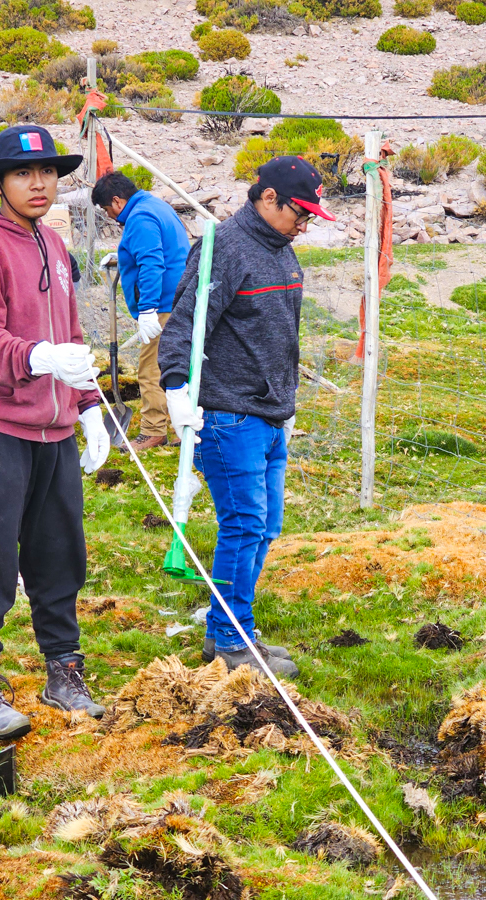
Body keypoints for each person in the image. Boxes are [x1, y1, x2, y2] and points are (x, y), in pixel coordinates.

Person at [0, 125, 110, 741]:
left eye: (47, 173)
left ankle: (63, 670)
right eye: (22, 174)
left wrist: (88, 403)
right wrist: (39, 359)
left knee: (60, 554)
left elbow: (69, 333)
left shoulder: (51, 242)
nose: (39, 184)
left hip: (54, 432)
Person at [158, 156, 335, 679]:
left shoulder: (283, 252)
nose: (303, 226)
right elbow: (185, 324)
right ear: (268, 199)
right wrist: (175, 387)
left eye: (310, 217)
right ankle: (233, 642)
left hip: (271, 414)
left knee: (265, 529)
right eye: (298, 214)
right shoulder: (225, 249)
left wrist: (285, 398)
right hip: (229, 415)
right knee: (244, 525)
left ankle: (231, 630)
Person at [92, 171, 190, 451]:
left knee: (151, 369)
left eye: (106, 209)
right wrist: (123, 257)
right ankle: (182, 427)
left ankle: (153, 431)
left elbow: (152, 263)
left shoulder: (140, 218)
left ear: (117, 201)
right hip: (178, 300)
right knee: (179, 365)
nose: (108, 215)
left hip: (162, 306)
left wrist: (147, 308)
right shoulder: (153, 205)